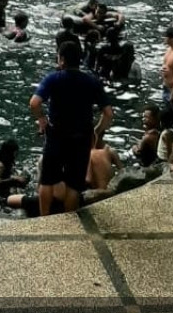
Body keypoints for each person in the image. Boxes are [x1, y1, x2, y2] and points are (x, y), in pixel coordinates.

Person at [30, 41, 113, 215]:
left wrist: (42, 119)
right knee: (74, 184)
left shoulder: (53, 78)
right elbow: (108, 113)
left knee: (47, 180)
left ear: (62, 60)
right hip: (81, 138)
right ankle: (68, 219)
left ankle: (44, 219)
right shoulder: (92, 81)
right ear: (80, 59)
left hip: (56, 135)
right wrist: (97, 130)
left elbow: (35, 103)